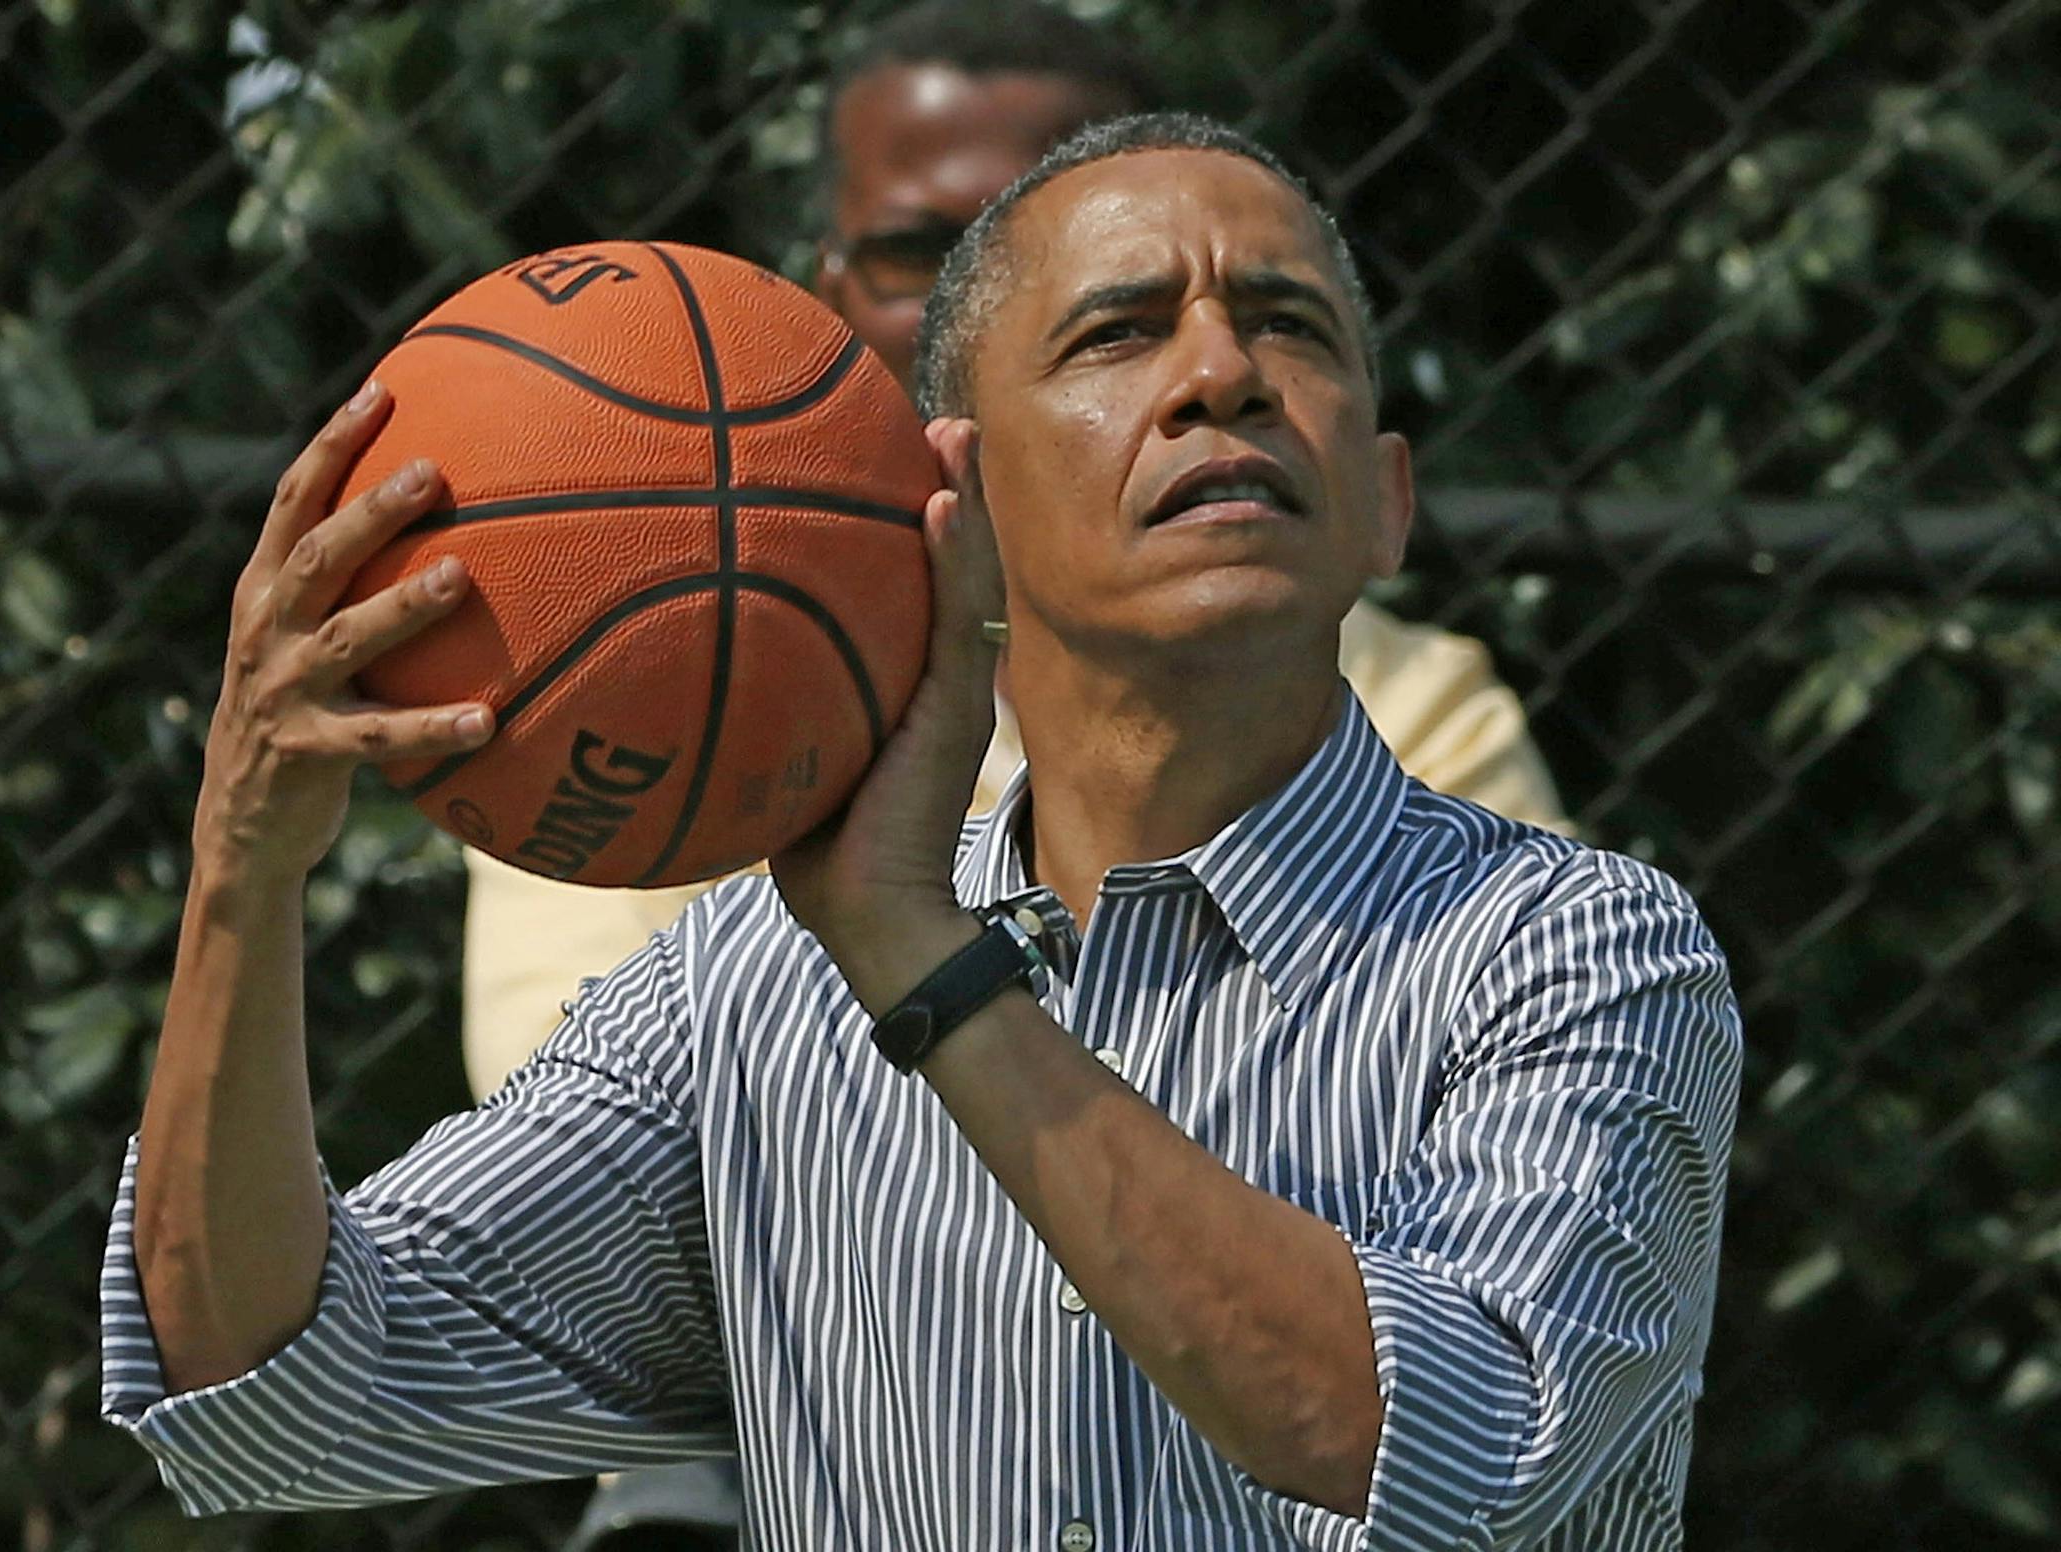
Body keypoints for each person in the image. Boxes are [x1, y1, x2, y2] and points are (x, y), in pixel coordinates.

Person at [102, 113, 1740, 1549]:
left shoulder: (1579, 949)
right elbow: (270, 1389)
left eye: (1287, 325)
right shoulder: (747, 988)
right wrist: (248, 854)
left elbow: (1455, 1448)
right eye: (1117, 333)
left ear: (1387, 497)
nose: (1222, 374)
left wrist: (921, 960)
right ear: (946, 491)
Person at [460, 3, 1569, 1102]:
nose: (966, 303)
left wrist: (915, 973)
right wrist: (272, 852)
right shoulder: (644, 659)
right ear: (825, 290)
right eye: (919, 254)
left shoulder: (1399, 705)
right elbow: (577, 1148)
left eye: (1077, 279)